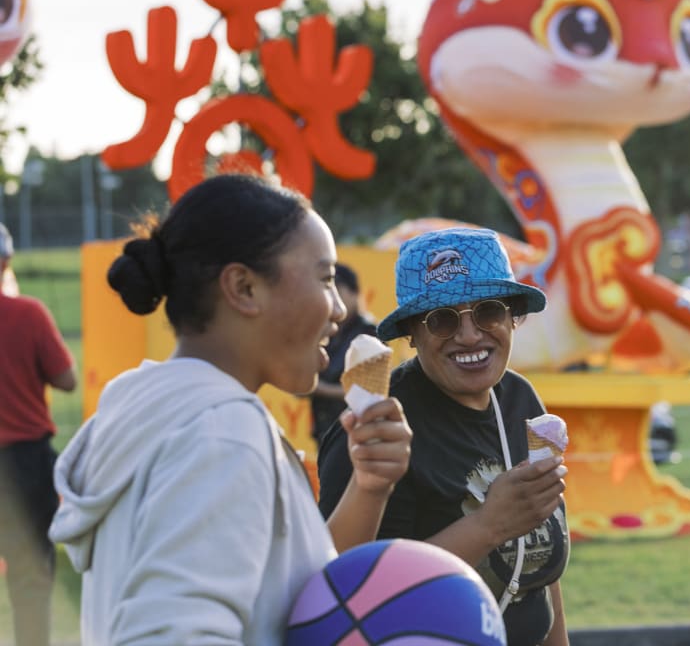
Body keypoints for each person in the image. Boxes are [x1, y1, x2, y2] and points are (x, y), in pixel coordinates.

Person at [47, 174, 412, 644]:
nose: (339, 309)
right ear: (243, 288)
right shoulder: (221, 433)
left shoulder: (161, 407)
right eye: (324, 278)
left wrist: (369, 487)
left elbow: (304, 602)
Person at [317, 228, 570, 646]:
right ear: (412, 333)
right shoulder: (376, 429)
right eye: (442, 319)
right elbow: (354, 600)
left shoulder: (519, 399)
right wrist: (488, 525)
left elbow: (539, 582)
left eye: (488, 311)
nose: (469, 335)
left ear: (512, 317)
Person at [0, 222, 77, 646]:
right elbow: (66, 379)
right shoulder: (28, 314)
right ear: (7, 261)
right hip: (25, 462)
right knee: (30, 578)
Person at [310, 263, 377, 448]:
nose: (333, 299)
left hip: (357, 433)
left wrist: (320, 388)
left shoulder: (368, 334)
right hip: (324, 431)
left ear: (355, 293)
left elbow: (371, 390)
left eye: (338, 289)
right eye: (327, 290)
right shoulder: (328, 331)